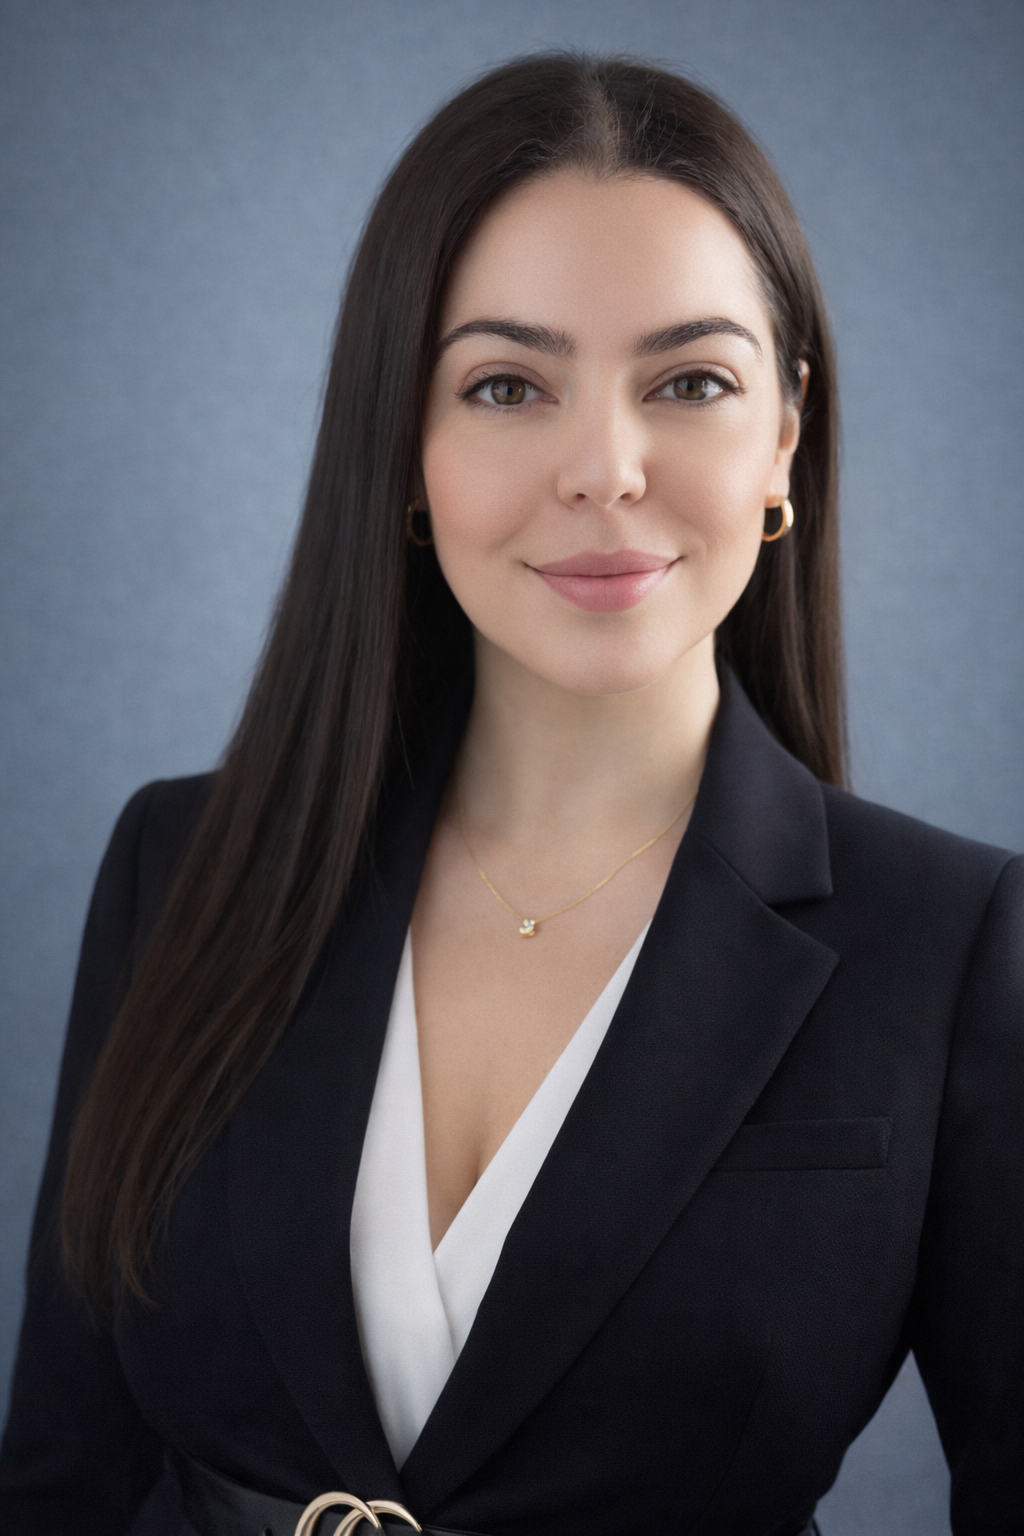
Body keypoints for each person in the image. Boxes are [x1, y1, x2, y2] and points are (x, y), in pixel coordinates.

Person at [0, 52, 1020, 1536]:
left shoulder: (950, 944)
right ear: (402, 449)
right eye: (505, 385)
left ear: (786, 431)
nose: (604, 468)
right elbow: (59, 1480)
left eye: (691, 381)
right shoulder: (180, 866)